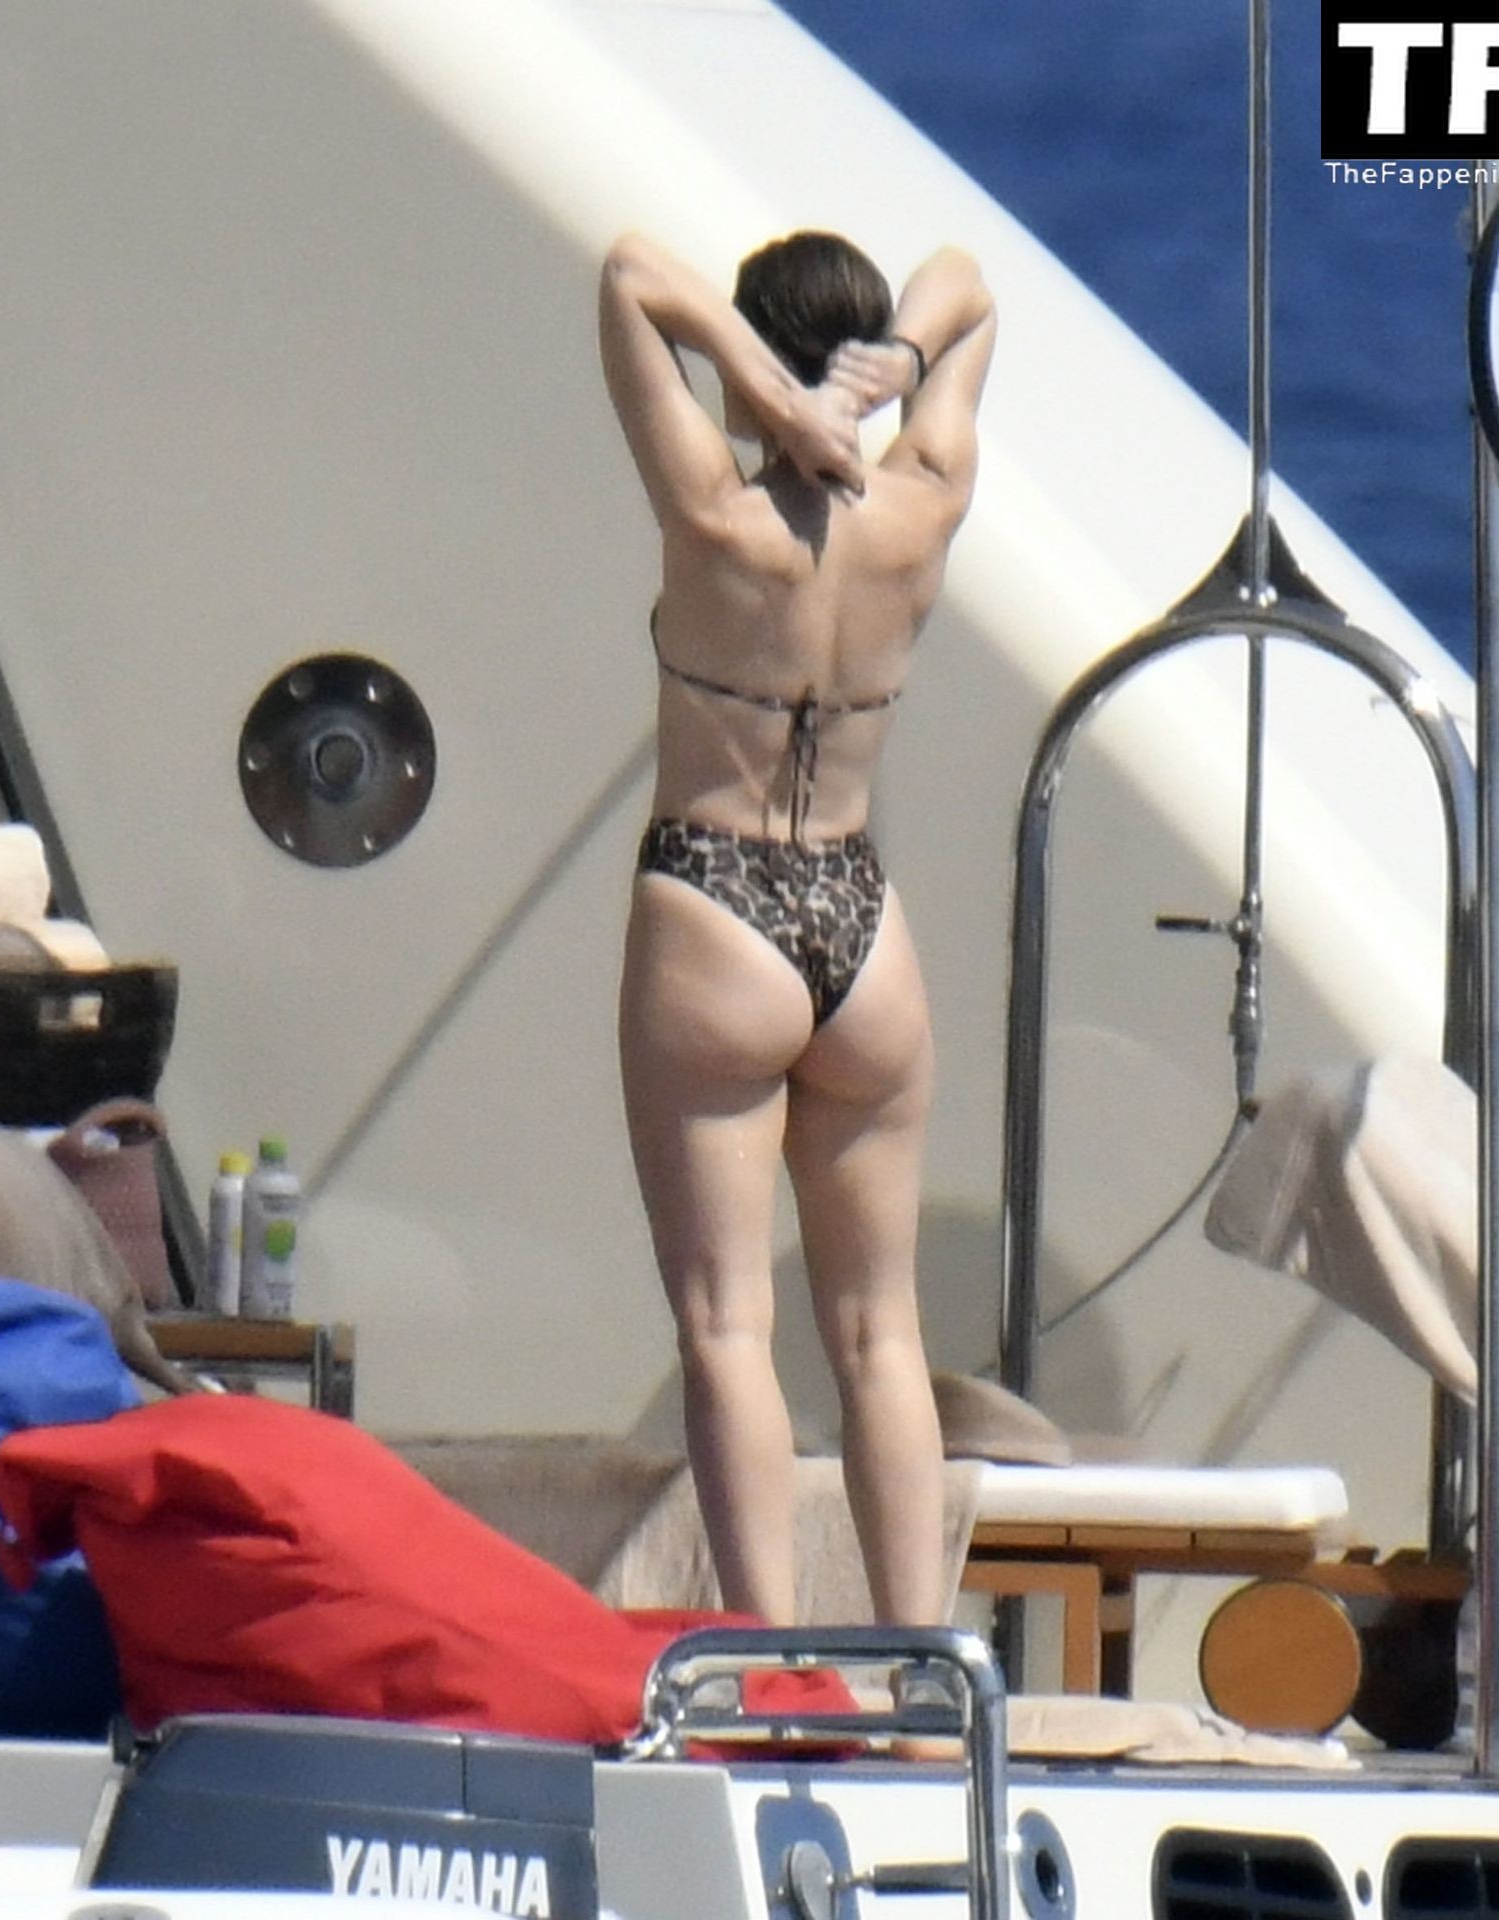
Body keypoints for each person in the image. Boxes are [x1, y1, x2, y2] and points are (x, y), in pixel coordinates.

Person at [599, 228, 995, 1626]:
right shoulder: (921, 503)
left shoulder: (715, 511)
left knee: (727, 1325)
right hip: (858, 922)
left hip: (717, 903)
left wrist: (770, 393)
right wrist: (889, 371)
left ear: (762, 361)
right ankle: (919, 1656)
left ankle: (768, 1664)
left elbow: (629, 275)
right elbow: (968, 282)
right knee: (881, 1334)